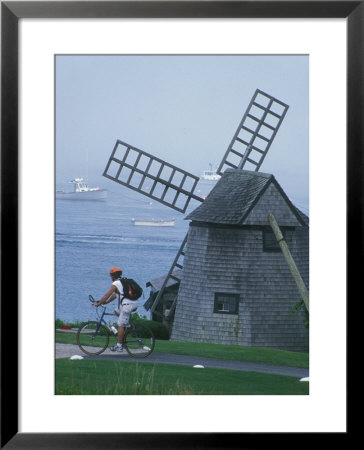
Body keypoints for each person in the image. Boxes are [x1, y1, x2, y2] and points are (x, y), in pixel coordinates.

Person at [93, 267, 138, 352]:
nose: (110, 277)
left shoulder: (116, 283)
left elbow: (107, 295)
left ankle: (119, 346)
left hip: (128, 305)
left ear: (113, 276)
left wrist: (99, 303)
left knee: (120, 324)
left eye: (111, 275)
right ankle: (127, 326)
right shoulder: (123, 282)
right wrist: (105, 302)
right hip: (133, 303)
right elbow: (114, 295)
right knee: (116, 310)